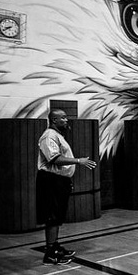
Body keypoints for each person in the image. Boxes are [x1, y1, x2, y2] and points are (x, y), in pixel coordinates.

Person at [37, 109, 97, 265]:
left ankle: (54, 246)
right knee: (52, 216)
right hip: (50, 180)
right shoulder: (49, 136)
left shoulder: (58, 136)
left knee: (57, 216)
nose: (66, 120)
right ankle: (50, 254)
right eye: (63, 118)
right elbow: (54, 159)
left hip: (59, 181)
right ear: (54, 120)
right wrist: (78, 161)